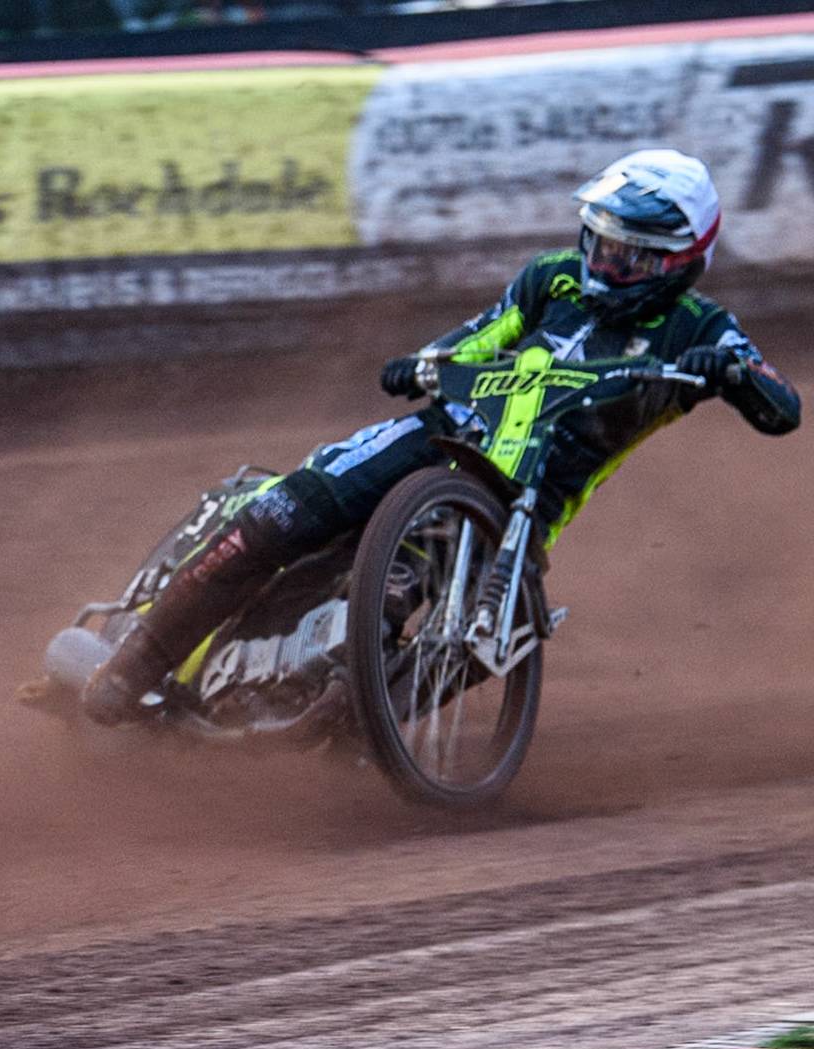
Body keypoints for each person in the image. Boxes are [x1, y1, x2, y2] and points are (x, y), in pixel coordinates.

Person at [82, 148, 800, 725]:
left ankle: (348, 722)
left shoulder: (700, 328)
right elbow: (477, 337)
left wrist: (733, 374)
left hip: (523, 502)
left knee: (454, 623)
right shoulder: (551, 279)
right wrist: (425, 361)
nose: (607, 266)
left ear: (681, 262)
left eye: (630, 257)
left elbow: (782, 406)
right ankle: (132, 666)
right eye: (602, 245)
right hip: (439, 434)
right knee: (282, 512)